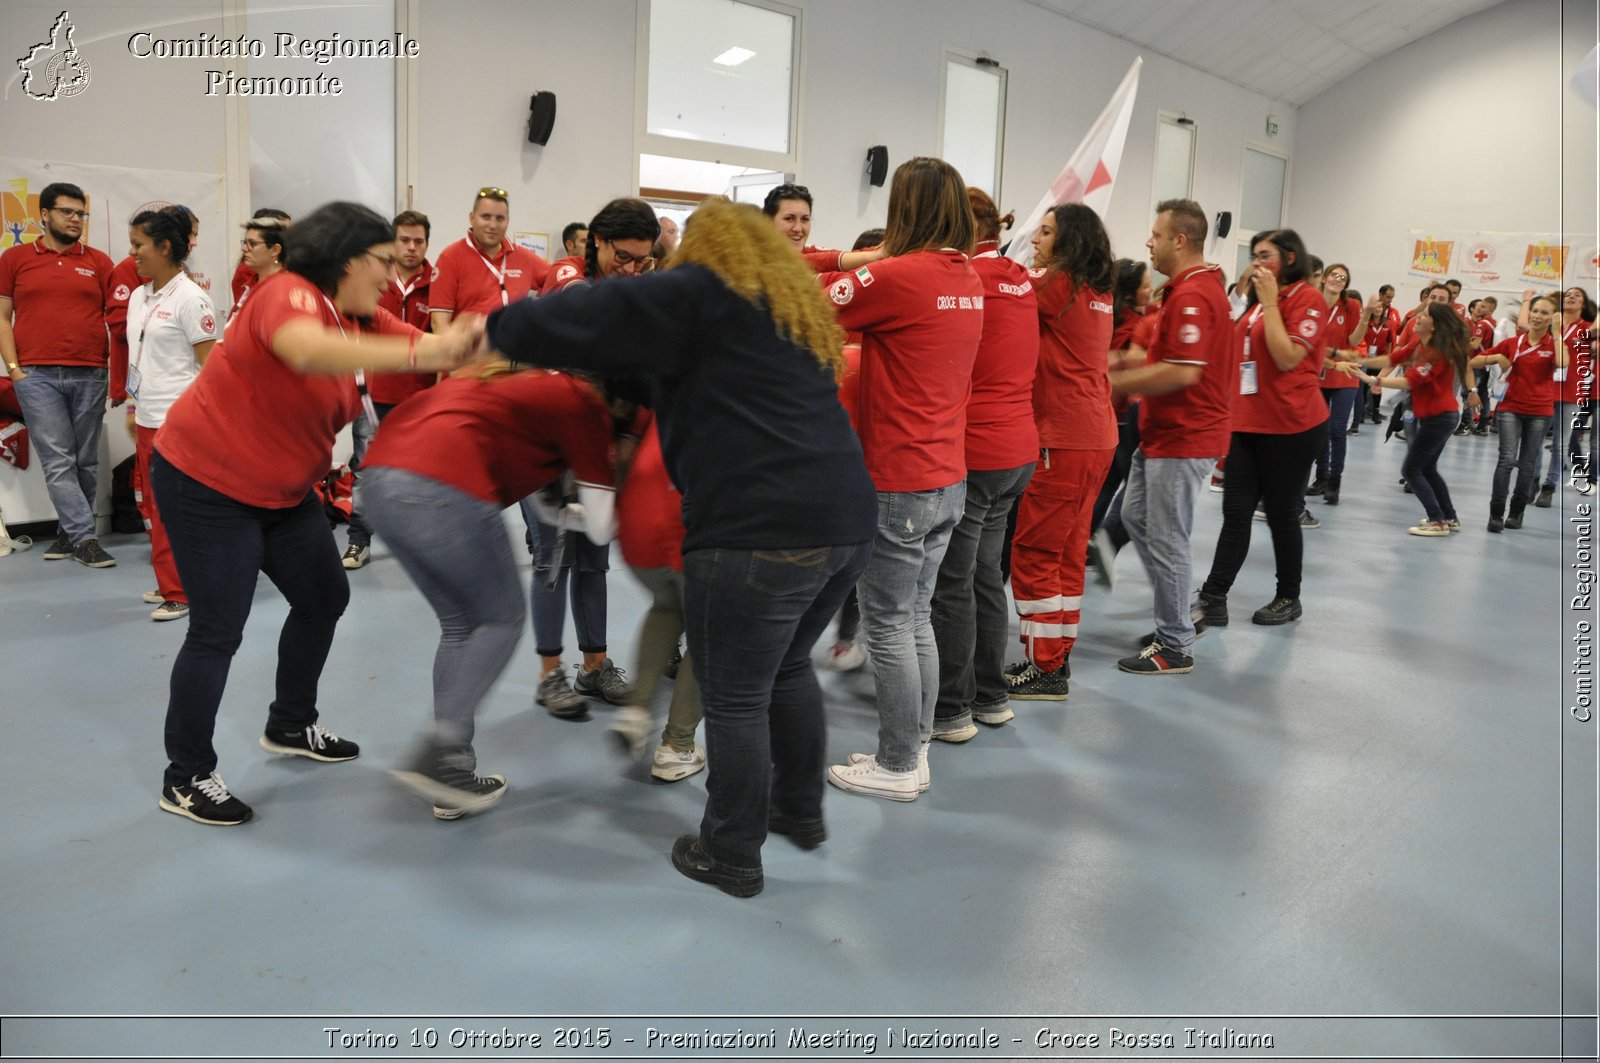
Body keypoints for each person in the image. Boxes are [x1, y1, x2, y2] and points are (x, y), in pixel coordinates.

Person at [485, 196, 875, 897]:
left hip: (758, 530)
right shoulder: (789, 315)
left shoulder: (700, 290)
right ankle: (799, 812)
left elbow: (582, 318)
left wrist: (501, 325)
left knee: (733, 696)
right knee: (787, 670)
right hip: (845, 525)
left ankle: (729, 851)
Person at [150, 201, 482, 826]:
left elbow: (438, 349)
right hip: (208, 485)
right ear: (346, 258)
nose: (390, 277)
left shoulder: (355, 313)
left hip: (281, 492)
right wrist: (419, 355)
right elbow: (305, 352)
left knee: (324, 596)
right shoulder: (290, 294)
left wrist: (490, 342)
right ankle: (186, 775)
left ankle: (289, 724)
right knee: (218, 629)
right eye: (382, 262)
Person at [359, 362, 617, 818]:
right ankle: (440, 754)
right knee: (502, 618)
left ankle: (452, 774)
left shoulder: (510, 383)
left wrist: (574, 508)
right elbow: (600, 527)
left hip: (380, 483)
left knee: (461, 624)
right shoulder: (582, 403)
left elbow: (548, 504)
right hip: (443, 485)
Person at [816, 157, 983, 802]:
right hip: (946, 473)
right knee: (915, 618)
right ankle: (912, 750)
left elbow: (808, 299)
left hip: (900, 477)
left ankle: (894, 764)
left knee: (886, 621)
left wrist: (851, 258)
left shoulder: (898, 277)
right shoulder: (963, 276)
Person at [529, 197, 660, 717]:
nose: (631, 270)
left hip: (600, 441)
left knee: (594, 558)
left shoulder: (630, 293)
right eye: (622, 257)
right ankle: (548, 674)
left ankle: (594, 665)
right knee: (552, 559)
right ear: (596, 243)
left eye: (642, 261)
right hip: (549, 444)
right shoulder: (571, 288)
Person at [1108, 198, 1235, 674]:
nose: (1149, 242)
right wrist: (1115, 364)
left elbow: (1183, 372)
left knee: (1167, 536)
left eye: (1156, 236)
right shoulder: (1183, 291)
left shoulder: (1193, 295)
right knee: (1138, 520)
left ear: (1180, 240)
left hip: (1185, 437)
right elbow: (1158, 356)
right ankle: (1177, 618)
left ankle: (1175, 641)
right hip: (1163, 435)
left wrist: (1115, 382)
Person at [929, 187, 1037, 741]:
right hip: (1017, 448)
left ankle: (952, 708)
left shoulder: (971, 279)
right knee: (986, 577)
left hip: (980, 449)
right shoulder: (1019, 277)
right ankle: (991, 695)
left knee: (955, 582)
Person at [1004, 202, 1117, 700]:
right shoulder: (1096, 290)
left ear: (1068, 241)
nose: (1035, 239)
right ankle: (1057, 656)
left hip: (1063, 438)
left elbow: (1002, 288)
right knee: (1069, 552)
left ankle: (1046, 668)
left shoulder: (1056, 285)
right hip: (1097, 436)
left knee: (1033, 552)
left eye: (1046, 233)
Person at [1196, 229, 1328, 627]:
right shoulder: (1255, 304)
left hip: (1292, 425)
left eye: (1265, 255)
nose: (1257, 263)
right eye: (1253, 255)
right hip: (1248, 421)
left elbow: (1287, 357)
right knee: (1235, 511)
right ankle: (1214, 596)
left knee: (1281, 514)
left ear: (1289, 258)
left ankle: (1289, 596)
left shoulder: (1307, 299)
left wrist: (1270, 303)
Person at [0, 181, 117, 568]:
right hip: (36, 376)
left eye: (81, 213)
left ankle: (69, 533)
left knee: (85, 462)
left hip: (90, 373)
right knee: (58, 461)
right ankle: (85, 539)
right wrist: (15, 370)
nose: (75, 219)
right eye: (67, 212)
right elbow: (2, 317)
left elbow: (117, 320)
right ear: (44, 214)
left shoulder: (99, 262)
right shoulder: (15, 258)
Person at [125, 207, 220, 620]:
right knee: (156, 509)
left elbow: (214, 370)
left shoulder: (191, 298)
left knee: (178, 511)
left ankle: (181, 592)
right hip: (147, 418)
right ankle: (171, 582)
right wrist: (132, 405)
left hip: (180, 424)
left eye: (139, 245)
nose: (133, 254)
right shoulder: (138, 296)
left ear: (165, 246)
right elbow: (137, 355)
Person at [343, 210, 436, 570]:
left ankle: (421, 547)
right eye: (404, 240)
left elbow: (435, 339)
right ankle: (358, 541)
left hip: (421, 397)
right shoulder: (373, 280)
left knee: (423, 475)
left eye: (419, 241)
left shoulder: (438, 282)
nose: (411, 247)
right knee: (365, 470)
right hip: (373, 394)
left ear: (427, 243)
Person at [1345, 302, 1476, 535]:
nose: (1417, 317)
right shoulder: (1419, 343)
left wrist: (1371, 380)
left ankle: (1438, 521)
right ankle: (1449, 517)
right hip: (1435, 417)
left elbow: (1410, 381)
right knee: (1428, 469)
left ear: (1434, 326)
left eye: (1424, 315)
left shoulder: (1438, 353)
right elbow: (1392, 359)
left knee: (1411, 469)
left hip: (1440, 418)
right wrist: (1359, 360)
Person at [1471, 294, 1569, 530]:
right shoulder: (1514, 342)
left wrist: (1557, 332)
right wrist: (1495, 357)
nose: (1538, 316)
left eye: (1545, 313)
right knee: (1506, 460)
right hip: (1510, 407)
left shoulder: (1554, 344)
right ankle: (1495, 514)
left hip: (1540, 411)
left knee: (1527, 465)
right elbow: (1474, 361)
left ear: (1552, 318)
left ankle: (1516, 512)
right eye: (1535, 311)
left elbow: (1564, 363)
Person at [429, 186, 548, 333]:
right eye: (486, 217)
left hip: (516, 352)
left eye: (500, 218)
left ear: (508, 221)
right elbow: (439, 325)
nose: (493, 225)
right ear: (471, 218)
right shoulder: (450, 258)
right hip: (471, 353)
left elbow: (559, 279)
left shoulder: (523, 257)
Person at [1306, 263, 1367, 506]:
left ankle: (1334, 481)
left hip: (1345, 373)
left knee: (1337, 428)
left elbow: (1354, 339)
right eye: (1334, 275)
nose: (1338, 279)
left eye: (1343, 277)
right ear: (1324, 278)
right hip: (1318, 372)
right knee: (1318, 428)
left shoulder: (1351, 305)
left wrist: (1365, 318)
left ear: (1346, 284)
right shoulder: (1311, 302)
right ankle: (1320, 477)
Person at [1532, 286, 1596, 504]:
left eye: (1577, 295)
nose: (1571, 297)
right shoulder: (1550, 325)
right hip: (1545, 389)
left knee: (1561, 444)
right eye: (1568, 294)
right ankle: (1533, 480)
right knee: (1536, 440)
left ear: (1583, 305)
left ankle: (1550, 486)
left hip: (1570, 392)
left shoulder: (1587, 328)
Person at [229, 207, 291, 310]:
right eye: (245, 242)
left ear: (275, 250)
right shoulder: (249, 282)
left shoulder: (288, 285)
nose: (244, 248)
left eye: (252, 243)